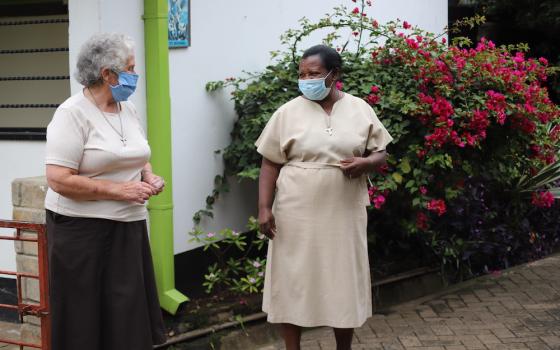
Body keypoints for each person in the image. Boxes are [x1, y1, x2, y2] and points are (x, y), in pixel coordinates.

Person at [256, 44, 393, 350]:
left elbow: (380, 151)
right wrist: (264, 208)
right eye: (302, 73)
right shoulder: (287, 113)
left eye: (314, 73)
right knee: (292, 280)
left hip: (344, 211)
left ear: (335, 75)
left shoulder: (360, 108)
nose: (306, 79)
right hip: (295, 212)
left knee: (342, 280)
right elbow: (269, 162)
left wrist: (366, 163)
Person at [44, 33, 167, 350]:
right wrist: (119, 191)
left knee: (126, 316)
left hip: (128, 228)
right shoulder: (72, 114)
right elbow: (58, 179)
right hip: (82, 233)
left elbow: (139, 156)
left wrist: (149, 177)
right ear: (107, 74)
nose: (135, 74)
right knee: (84, 321)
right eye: (130, 67)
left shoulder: (128, 109)